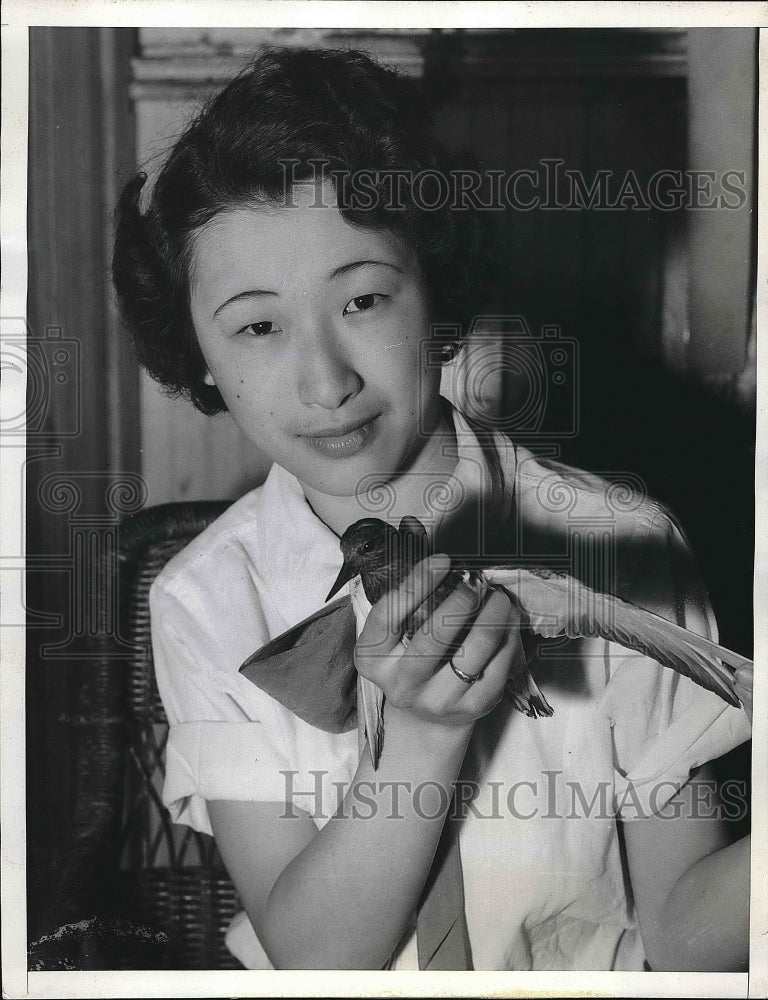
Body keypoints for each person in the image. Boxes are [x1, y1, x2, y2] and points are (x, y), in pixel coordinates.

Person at [112, 46, 753, 972]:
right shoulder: (200, 603)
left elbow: (688, 942)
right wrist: (422, 737)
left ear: (437, 295)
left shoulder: (624, 548)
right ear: (200, 353)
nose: (326, 383)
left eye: (364, 299)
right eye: (257, 325)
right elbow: (318, 961)